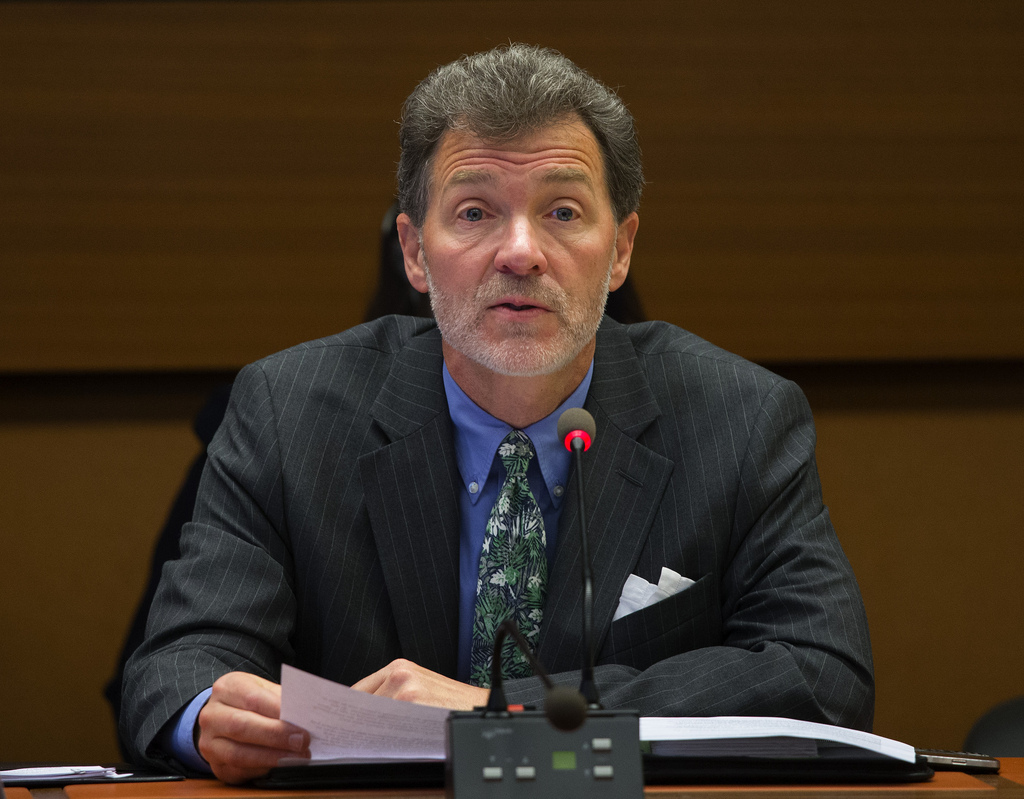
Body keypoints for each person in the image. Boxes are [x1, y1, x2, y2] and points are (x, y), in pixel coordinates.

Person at [121, 44, 874, 784]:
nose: (520, 252)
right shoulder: (288, 412)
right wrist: (210, 716)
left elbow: (824, 675)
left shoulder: (740, 418)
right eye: (475, 211)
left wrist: (505, 711)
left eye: (563, 211)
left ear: (620, 250)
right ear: (415, 252)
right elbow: (177, 666)